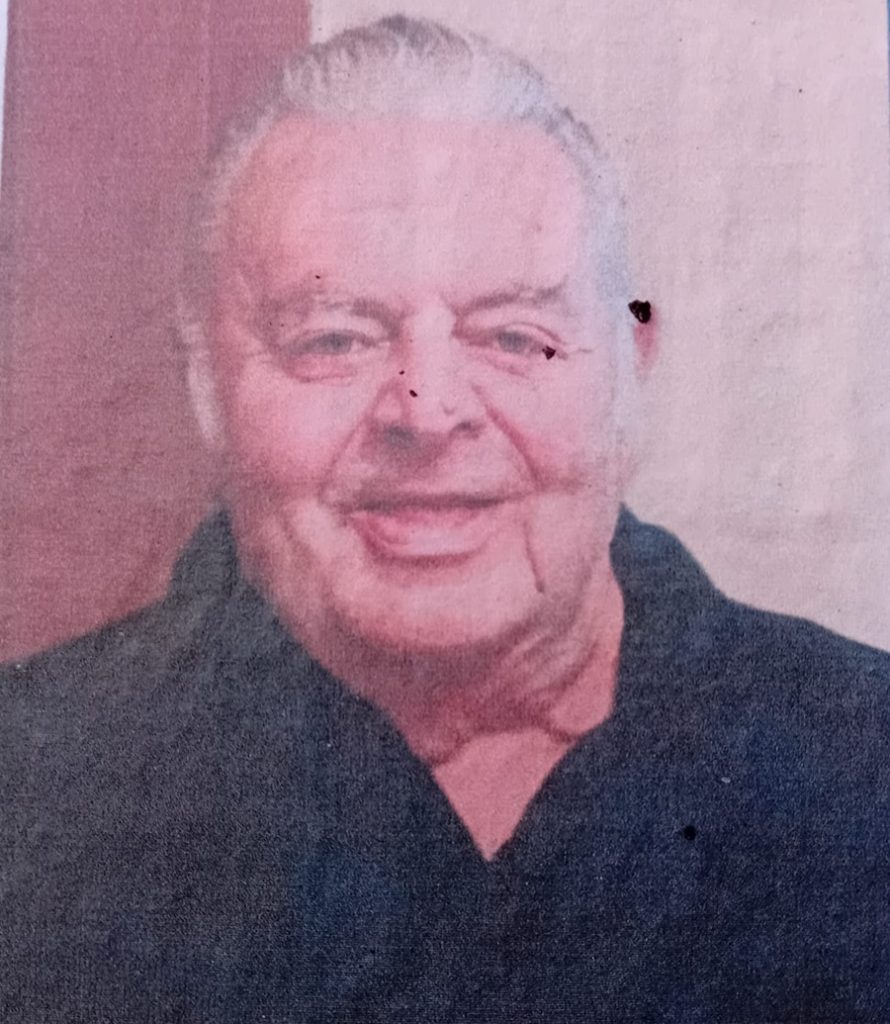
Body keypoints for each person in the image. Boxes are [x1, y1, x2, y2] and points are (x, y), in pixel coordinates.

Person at [2, 15, 889, 1023]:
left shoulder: (863, 759)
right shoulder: (33, 778)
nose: (426, 411)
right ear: (208, 387)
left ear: (627, 375)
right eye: (333, 339)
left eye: (513, 336)